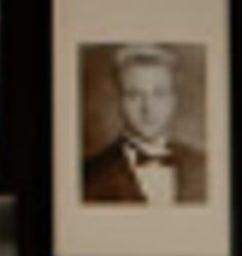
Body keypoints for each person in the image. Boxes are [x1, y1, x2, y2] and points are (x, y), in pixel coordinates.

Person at [81, 38, 209, 213]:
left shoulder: (204, 166)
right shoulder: (88, 175)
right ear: (118, 102)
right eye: (134, 95)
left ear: (174, 100)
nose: (148, 108)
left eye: (159, 94)